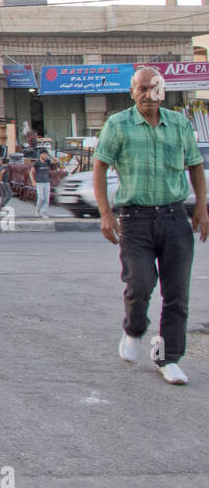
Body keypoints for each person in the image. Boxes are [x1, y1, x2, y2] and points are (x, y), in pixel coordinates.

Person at [95, 67, 209, 386]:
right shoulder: (118, 125)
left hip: (175, 219)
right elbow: (100, 166)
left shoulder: (179, 124)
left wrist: (201, 207)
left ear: (163, 91)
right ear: (132, 92)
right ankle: (134, 329)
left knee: (177, 296)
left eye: (153, 88)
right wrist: (106, 212)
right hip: (135, 220)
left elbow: (196, 166)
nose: (148, 94)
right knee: (141, 283)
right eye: (141, 89)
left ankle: (168, 358)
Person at [32, 146, 58, 216]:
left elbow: (57, 161)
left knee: (46, 199)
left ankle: (44, 212)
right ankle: (37, 209)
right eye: (44, 154)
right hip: (39, 182)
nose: (45, 156)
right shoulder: (36, 163)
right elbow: (31, 172)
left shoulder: (48, 162)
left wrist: (50, 155)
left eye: (46, 154)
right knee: (41, 198)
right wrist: (33, 181)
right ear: (41, 154)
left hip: (47, 182)